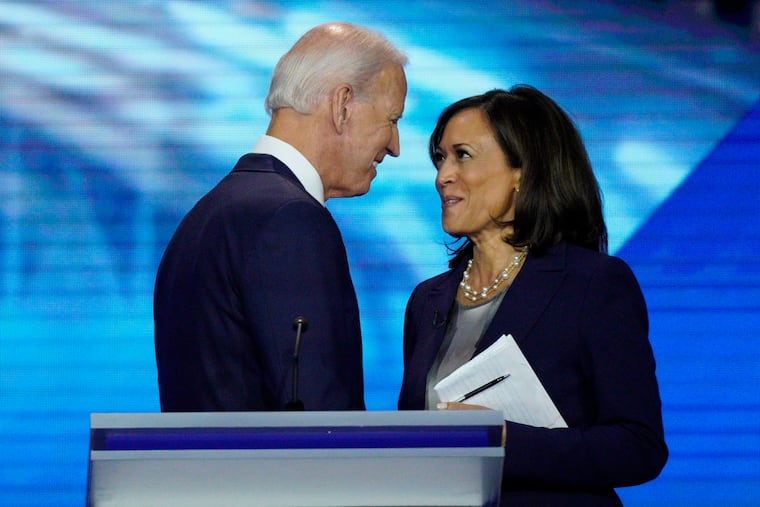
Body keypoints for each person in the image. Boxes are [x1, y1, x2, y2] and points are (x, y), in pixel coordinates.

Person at [398, 86, 667, 505]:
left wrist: (503, 440)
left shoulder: (593, 284)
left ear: (522, 171)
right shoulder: (427, 300)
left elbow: (639, 446)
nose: (442, 176)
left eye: (462, 155)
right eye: (440, 158)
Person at [154, 22, 408, 411]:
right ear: (342, 106)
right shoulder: (290, 221)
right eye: (391, 119)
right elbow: (318, 420)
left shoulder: (207, 215)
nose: (395, 146)